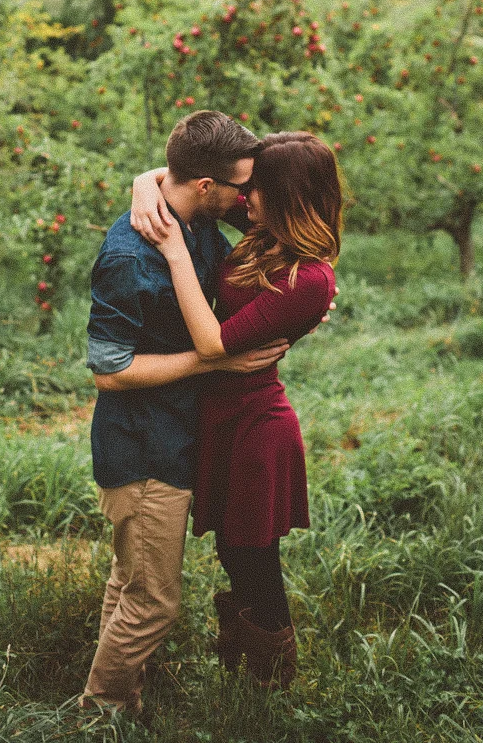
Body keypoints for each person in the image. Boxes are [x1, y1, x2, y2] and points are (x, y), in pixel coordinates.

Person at [81, 110, 292, 717]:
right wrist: (214, 365)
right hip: (142, 449)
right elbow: (109, 370)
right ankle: (102, 713)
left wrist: (303, 303)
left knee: (130, 583)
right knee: (154, 601)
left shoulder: (193, 225)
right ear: (206, 186)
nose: (249, 198)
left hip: (173, 438)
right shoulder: (130, 257)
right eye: (241, 187)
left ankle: (120, 693)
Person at [132, 131, 342, 689]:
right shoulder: (264, 232)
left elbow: (213, 346)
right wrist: (141, 184)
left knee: (253, 555)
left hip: (256, 426)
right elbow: (182, 178)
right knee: (232, 548)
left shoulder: (310, 277)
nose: (243, 198)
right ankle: (245, 660)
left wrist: (176, 249)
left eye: (256, 188)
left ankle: (272, 674)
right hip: (222, 417)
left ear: (286, 194)